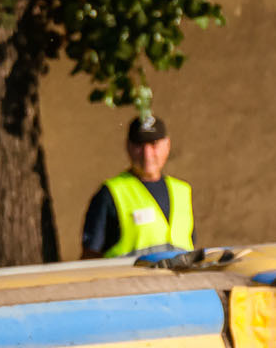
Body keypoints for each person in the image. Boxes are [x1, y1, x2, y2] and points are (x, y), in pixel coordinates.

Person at [81, 111, 194, 260]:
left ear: (167, 145)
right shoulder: (110, 193)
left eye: (153, 144)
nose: (147, 154)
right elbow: (90, 258)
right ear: (128, 146)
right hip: (129, 276)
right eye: (139, 145)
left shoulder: (183, 191)